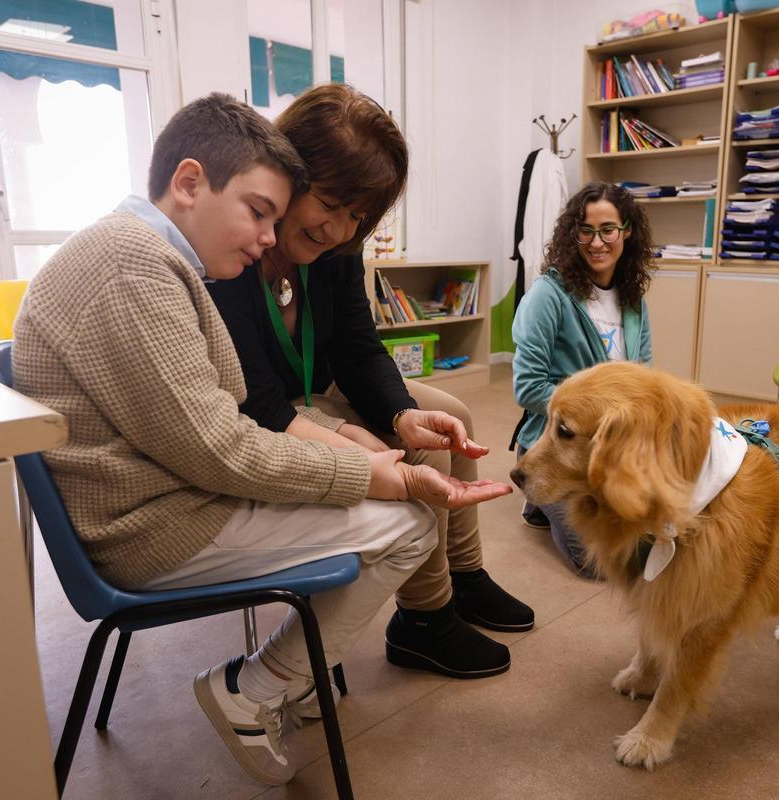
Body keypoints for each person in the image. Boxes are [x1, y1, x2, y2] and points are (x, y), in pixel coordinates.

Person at [12, 93, 509, 787]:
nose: (270, 238)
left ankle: (330, 655)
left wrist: (380, 435)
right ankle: (256, 687)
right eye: (258, 212)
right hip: (157, 522)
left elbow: (226, 427)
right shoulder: (138, 266)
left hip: (171, 487)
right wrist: (378, 472)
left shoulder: (149, 253)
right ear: (190, 184)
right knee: (407, 523)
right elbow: (229, 445)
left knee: (400, 483)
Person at [206, 83, 533, 685]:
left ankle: (465, 577)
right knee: (410, 454)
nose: (339, 228)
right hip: (260, 415)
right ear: (286, 174)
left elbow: (359, 345)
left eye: (360, 215)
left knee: (442, 415)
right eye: (330, 202)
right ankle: (424, 621)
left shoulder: (337, 246)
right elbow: (254, 402)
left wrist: (402, 410)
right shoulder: (231, 248)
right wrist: (379, 437)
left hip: (305, 397)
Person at [511, 181, 654, 577]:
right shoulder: (547, 295)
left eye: (607, 229)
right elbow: (526, 387)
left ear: (626, 230)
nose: (597, 242)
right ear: (572, 234)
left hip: (612, 445)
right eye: (585, 230)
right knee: (599, 565)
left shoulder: (632, 298)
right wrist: (589, 412)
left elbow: (642, 378)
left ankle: (545, 503)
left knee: (655, 537)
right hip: (558, 445)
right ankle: (539, 495)